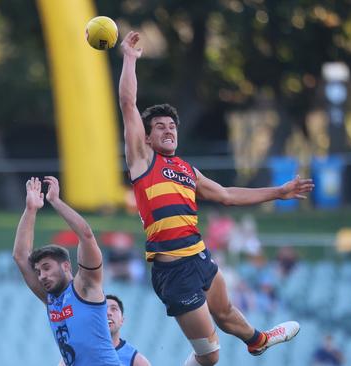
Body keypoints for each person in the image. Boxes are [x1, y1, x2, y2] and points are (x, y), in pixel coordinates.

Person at [118, 31, 312, 365]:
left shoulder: (186, 170)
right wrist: (130, 59)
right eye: (160, 127)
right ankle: (253, 341)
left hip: (199, 255)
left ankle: (257, 341)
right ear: (146, 138)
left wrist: (278, 192)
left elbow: (226, 195)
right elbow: (127, 105)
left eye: (172, 127)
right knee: (210, 358)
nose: (168, 130)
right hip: (173, 271)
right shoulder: (142, 161)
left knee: (225, 311)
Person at [12, 176, 120, 366]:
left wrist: (55, 201)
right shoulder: (50, 299)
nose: (42, 276)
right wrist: (31, 210)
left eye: (46, 268)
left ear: (66, 266)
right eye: (38, 271)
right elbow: (20, 256)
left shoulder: (85, 287)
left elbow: (86, 235)